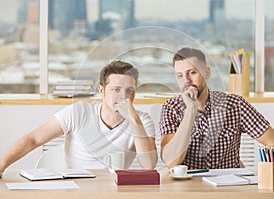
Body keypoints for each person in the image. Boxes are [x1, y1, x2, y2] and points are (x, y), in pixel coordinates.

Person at [0, 60, 158, 178]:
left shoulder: (141, 120)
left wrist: (134, 120)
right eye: (116, 89)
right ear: (102, 91)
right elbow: (33, 139)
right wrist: (1, 166)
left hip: (114, 189)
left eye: (129, 90)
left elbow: (149, 165)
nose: (123, 96)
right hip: (76, 187)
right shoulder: (79, 112)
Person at [159, 47, 274, 169]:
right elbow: (171, 162)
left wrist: (263, 175)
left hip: (228, 187)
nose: (186, 80)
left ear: (206, 73)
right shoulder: (171, 108)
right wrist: (190, 111)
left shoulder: (235, 104)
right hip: (190, 186)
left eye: (192, 72)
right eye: (180, 75)